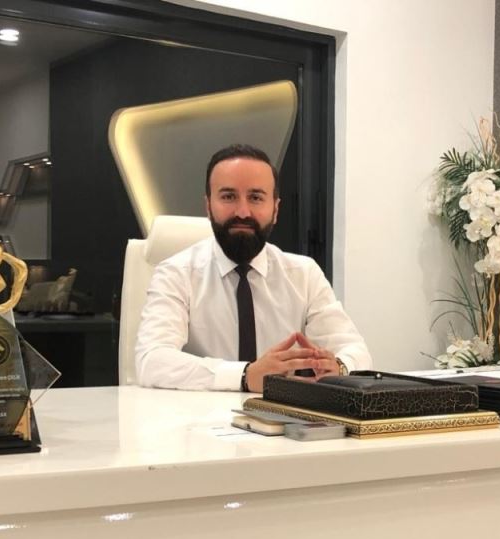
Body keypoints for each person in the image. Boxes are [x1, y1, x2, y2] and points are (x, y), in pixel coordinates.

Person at [135, 144, 372, 392]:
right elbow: (151, 360)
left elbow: (356, 351)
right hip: (196, 414)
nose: (242, 212)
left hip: (281, 415)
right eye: (228, 197)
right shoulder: (176, 273)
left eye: (256, 198)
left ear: (275, 209)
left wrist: (339, 368)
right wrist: (245, 375)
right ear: (208, 206)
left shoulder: (304, 275)